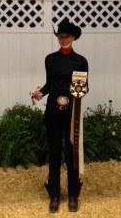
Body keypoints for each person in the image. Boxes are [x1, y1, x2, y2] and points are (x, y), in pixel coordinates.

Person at [32, 17, 89, 213]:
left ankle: (73, 194)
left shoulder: (81, 61)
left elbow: (83, 88)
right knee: (54, 152)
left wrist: (78, 94)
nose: (63, 39)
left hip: (72, 112)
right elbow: (49, 83)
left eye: (66, 36)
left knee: (71, 154)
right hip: (53, 112)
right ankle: (54, 194)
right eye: (60, 36)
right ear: (58, 38)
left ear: (73, 37)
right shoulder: (50, 59)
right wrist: (40, 92)